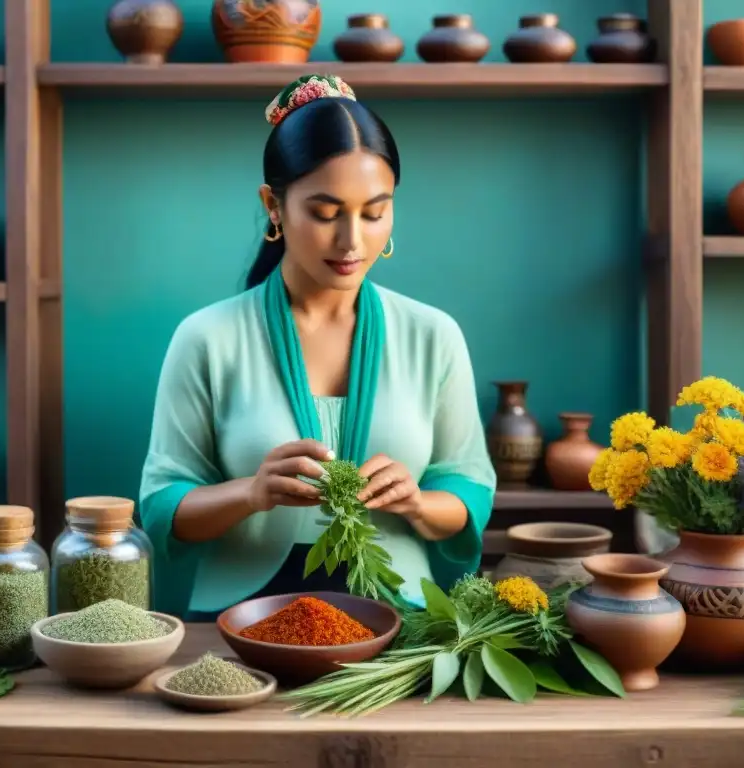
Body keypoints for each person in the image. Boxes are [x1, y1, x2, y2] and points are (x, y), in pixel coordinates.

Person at [138, 74, 496, 620]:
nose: (353, 241)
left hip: (403, 626)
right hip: (239, 623)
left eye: (375, 213)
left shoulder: (434, 335)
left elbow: (468, 488)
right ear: (274, 206)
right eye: (326, 214)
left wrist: (419, 502)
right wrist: (251, 493)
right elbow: (162, 506)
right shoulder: (206, 338)